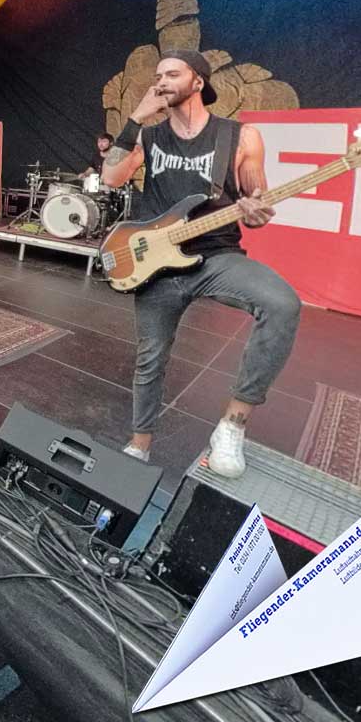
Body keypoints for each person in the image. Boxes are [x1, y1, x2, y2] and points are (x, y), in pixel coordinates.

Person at [101, 50, 300, 477]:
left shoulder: (241, 137)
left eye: (172, 73)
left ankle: (232, 425)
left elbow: (255, 200)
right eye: (158, 76)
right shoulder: (149, 137)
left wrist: (256, 211)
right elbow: (110, 177)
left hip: (216, 254)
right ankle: (139, 447)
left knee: (282, 304)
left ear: (198, 82)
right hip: (157, 263)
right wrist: (136, 116)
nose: (161, 81)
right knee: (150, 359)